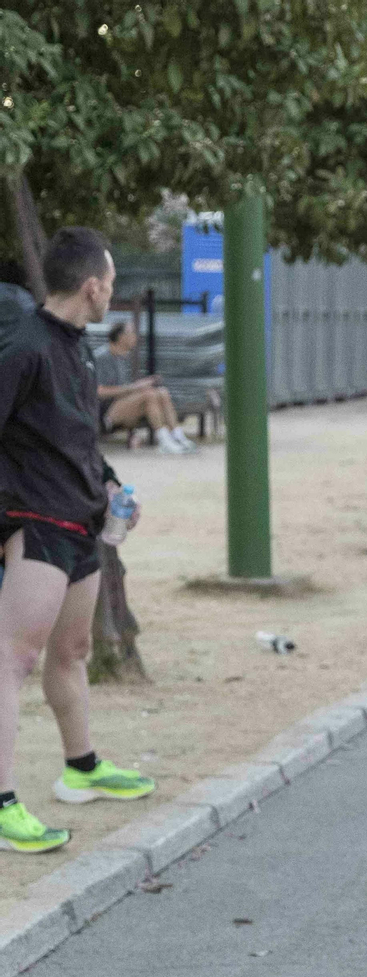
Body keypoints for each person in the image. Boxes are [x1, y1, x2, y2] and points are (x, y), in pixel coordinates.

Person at [0, 228, 158, 855]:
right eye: (111, 285)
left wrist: (113, 484)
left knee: (73, 651)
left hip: (83, 524)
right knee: (12, 661)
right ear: (92, 287)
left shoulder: (79, 347)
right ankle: (3, 804)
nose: (111, 296)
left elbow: (77, 436)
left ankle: (82, 768)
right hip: (36, 524)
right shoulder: (22, 345)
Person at [96, 322, 196, 454]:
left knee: (161, 392)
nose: (135, 337)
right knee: (148, 394)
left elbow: (125, 388)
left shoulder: (122, 358)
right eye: (131, 333)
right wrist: (135, 387)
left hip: (122, 406)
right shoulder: (102, 357)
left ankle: (177, 436)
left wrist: (141, 385)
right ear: (121, 336)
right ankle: (164, 442)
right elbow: (99, 391)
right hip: (105, 414)